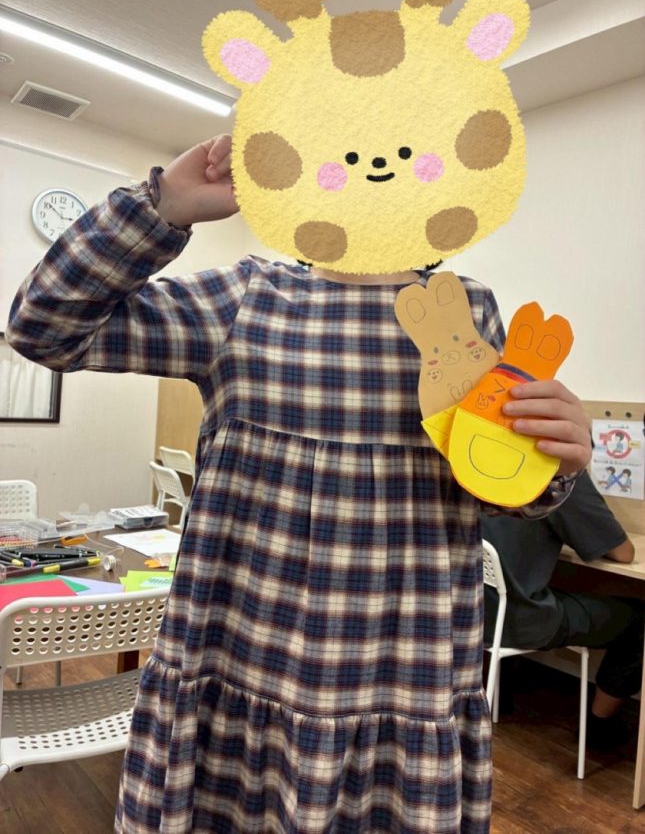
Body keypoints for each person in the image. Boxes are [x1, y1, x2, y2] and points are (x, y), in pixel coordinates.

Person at [6, 136, 592, 834]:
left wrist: (555, 461)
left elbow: (495, 486)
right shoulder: (244, 298)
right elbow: (42, 328)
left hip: (403, 673)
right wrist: (163, 207)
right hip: (240, 658)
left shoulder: (466, 313)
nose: (376, 170)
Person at [483, 470, 638, 750]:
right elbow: (623, 552)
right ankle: (600, 727)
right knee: (638, 621)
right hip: (521, 620)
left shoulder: (477, 466)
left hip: (476, 613)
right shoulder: (558, 473)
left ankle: (503, 689)